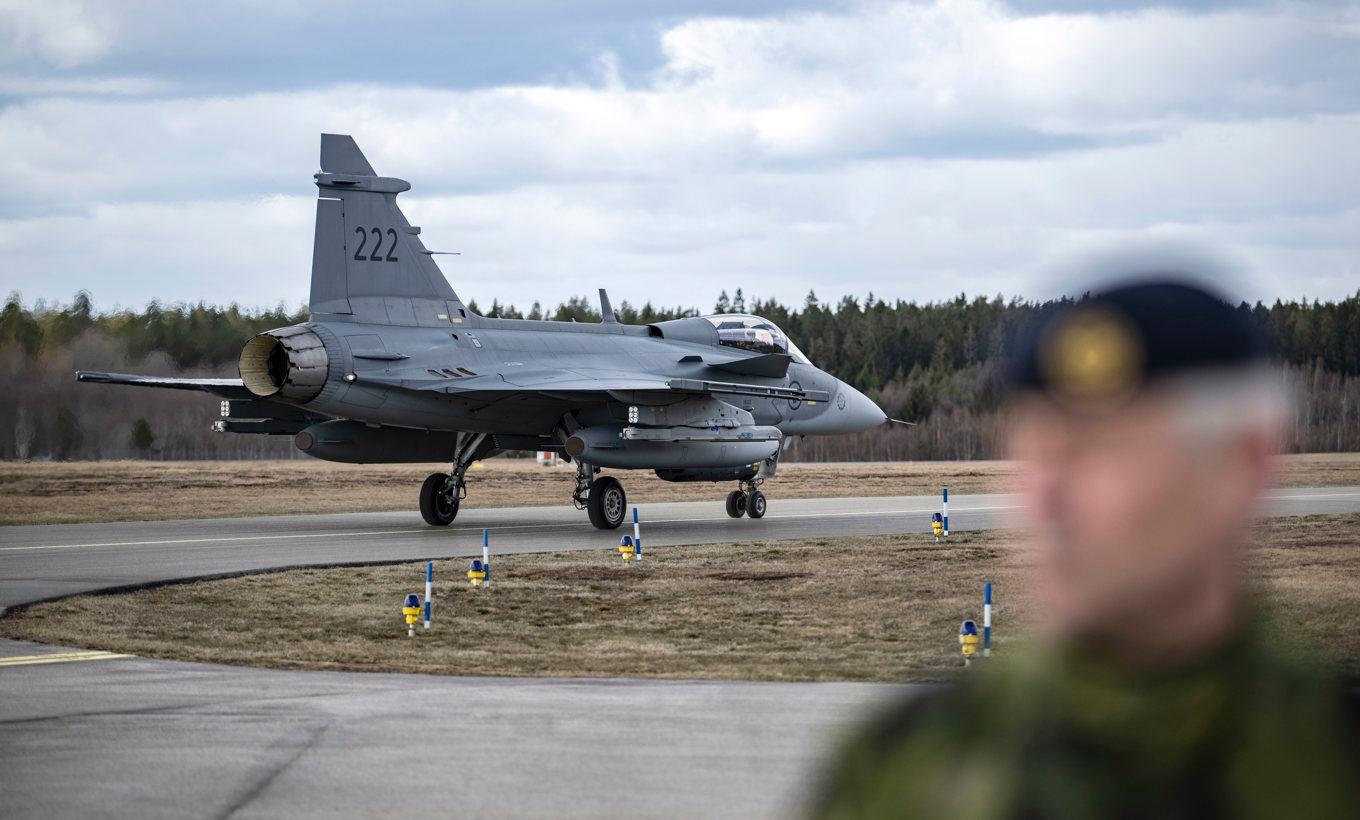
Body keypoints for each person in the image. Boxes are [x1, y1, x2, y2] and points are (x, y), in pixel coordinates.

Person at [814, 278, 1360, 818]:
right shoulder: (909, 763)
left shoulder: (1333, 762)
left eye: (1100, 452)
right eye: (1039, 453)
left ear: (1246, 463)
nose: (1048, 498)